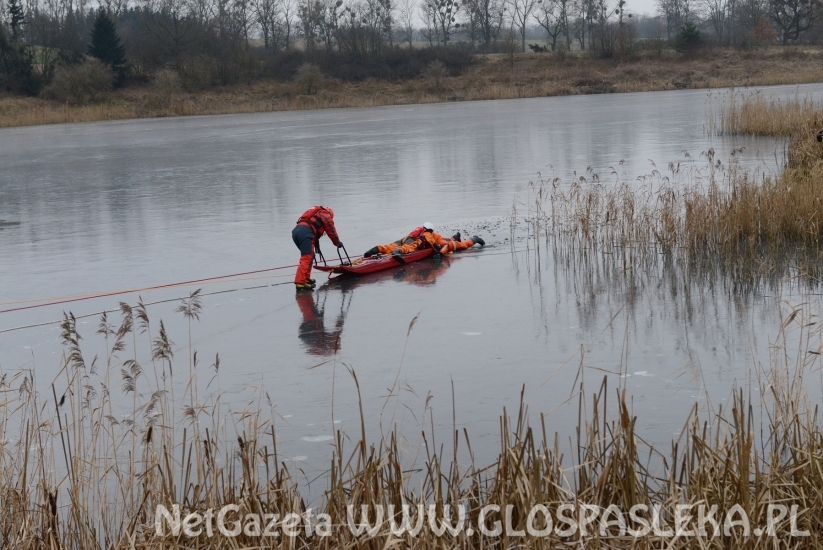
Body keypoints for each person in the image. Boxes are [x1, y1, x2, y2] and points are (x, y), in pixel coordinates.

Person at [292, 206, 343, 291]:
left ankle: (305, 278)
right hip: (305, 232)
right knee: (307, 258)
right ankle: (300, 283)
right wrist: (337, 243)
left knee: (309, 256)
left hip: (297, 232)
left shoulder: (316, 212)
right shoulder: (325, 214)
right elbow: (331, 230)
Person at [362, 222, 484, 257]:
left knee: (458, 245)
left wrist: (441, 253)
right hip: (409, 241)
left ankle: (474, 239)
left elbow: (441, 245)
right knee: (398, 247)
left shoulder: (427, 234)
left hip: (439, 242)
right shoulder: (422, 234)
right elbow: (410, 245)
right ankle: (377, 249)